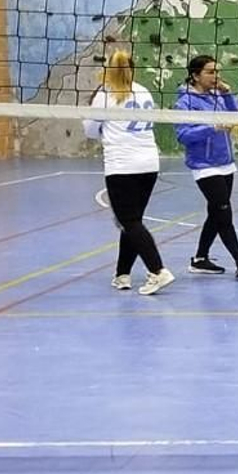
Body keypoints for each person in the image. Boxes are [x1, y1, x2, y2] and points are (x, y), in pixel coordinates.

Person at [85, 49, 174, 296]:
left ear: (108, 71)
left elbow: (90, 131)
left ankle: (158, 271)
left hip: (122, 165)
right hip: (148, 164)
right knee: (132, 222)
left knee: (130, 222)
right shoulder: (142, 90)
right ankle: (122, 275)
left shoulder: (104, 95)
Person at [174, 54, 238, 280]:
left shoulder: (217, 95)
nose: (215, 76)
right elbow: (183, 135)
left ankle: (199, 259)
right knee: (224, 212)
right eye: (210, 72)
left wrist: (227, 93)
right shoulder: (185, 102)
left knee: (215, 212)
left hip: (226, 163)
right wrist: (212, 127)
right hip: (204, 165)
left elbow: (235, 118)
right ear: (195, 76)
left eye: (217, 71)